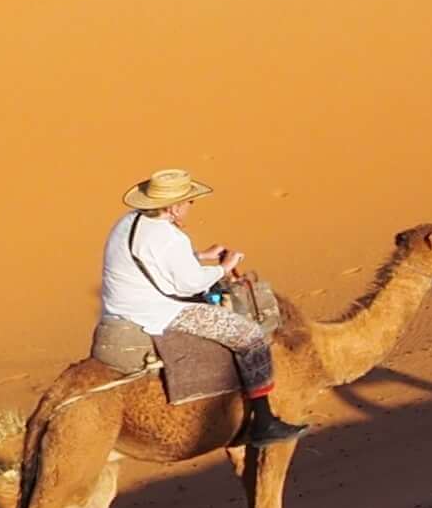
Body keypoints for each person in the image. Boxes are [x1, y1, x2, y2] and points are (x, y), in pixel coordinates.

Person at [94, 166, 296, 429]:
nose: (190, 206)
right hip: (156, 312)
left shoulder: (127, 222)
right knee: (250, 337)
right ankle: (265, 421)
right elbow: (190, 284)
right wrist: (223, 267)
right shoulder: (168, 237)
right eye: (188, 201)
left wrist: (200, 257)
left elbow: (153, 260)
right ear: (174, 208)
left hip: (122, 305)